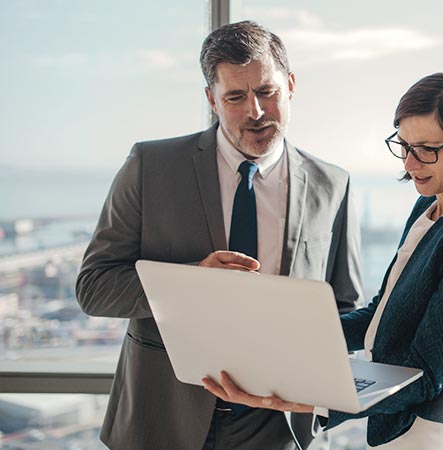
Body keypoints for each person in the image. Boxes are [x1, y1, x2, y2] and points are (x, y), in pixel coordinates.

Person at [75, 20, 363, 450]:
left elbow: (343, 307)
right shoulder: (150, 167)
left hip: (278, 428)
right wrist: (192, 282)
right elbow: (94, 288)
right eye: (235, 97)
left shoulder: (333, 184)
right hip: (163, 418)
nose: (255, 111)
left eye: (267, 91)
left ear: (291, 85)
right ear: (211, 99)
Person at [203, 72, 443, 449]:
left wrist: (308, 398)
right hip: (397, 431)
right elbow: (379, 317)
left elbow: (426, 374)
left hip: (437, 436)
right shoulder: (428, 208)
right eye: (404, 146)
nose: (410, 163)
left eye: (426, 149)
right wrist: (285, 334)